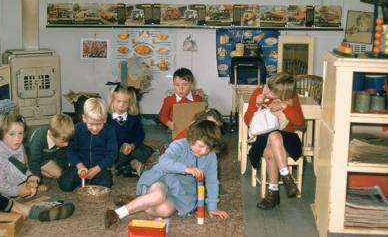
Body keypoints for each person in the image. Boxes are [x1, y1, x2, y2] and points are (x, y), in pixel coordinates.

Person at [104, 120, 229, 229]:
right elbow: (164, 162)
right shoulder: (180, 144)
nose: (204, 152)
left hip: (181, 190)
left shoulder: (210, 156)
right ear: (192, 139)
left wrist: (212, 207)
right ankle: (117, 213)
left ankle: (139, 201)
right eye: (201, 146)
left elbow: (212, 181)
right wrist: (186, 169)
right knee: (158, 195)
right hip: (162, 177)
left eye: (208, 148)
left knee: (165, 210)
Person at [243, 72, 304, 210]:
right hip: (263, 138)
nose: (268, 91)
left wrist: (285, 107)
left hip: (287, 139)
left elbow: (300, 123)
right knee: (273, 138)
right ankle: (286, 178)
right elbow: (247, 121)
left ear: (283, 93)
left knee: (274, 139)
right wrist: (258, 105)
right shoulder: (259, 92)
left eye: (273, 91)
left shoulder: (290, 97)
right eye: (269, 87)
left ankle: (273, 194)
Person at [0, 112, 42, 198]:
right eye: (12, 134)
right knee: (7, 192)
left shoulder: (18, 144)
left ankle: (11, 190)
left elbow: (19, 165)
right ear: (1, 133)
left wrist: (29, 176)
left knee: (30, 190)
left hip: (2, 169)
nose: (17, 139)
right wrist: (18, 191)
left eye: (20, 133)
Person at [58, 97, 117, 191]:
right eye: (91, 124)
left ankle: (95, 180)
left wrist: (98, 168)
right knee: (65, 185)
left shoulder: (109, 130)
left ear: (105, 119)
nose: (95, 128)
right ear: (84, 118)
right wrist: (79, 166)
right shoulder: (77, 129)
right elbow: (70, 150)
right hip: (80, 166)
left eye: (99, 124)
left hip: (100, 167)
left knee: (105, 185)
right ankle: (86, 180)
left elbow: (112, 154)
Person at [106, 85, 153, 177]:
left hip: (131, 149)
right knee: (109, 157)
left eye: (125, 102)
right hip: (114, 150)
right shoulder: (107, 118)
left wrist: (132, 145)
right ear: (112, 101)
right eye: (118, 101)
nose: (121, 105)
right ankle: (129, 165)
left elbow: (140, 135)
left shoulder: (134, 118)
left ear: (130, 104)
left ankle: (125, 166)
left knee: (147, 151)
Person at [26, 113, 75, 190]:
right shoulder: (38, 139)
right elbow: (34, 161)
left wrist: (66, 172)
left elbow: (61, 156)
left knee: (59, 173)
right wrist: (38, 182)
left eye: (68, 141)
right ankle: (30, 171)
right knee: (33, 168)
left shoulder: (60, 139)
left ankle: (40, 171)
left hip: (44, 159)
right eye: (63, 141)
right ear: (52, 135)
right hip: (29, 158)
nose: (66, 144)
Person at [158, 67, 203, 132]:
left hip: (193, 129)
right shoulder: (169, 100)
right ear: (173, 84)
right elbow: (162, 115)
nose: (181, 88)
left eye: (185, 85)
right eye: (177, 85)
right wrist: (169, 123)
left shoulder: (197, 98)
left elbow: (201, 115)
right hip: (175, 129)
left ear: (191, 85)